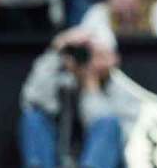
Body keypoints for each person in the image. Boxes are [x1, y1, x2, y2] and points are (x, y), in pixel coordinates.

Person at [18, 26, 133, 168]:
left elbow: (117, 139)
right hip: (58, 158)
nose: (89, 61)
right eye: (86, 53)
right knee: (33, 118)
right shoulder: (65, 79)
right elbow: (32, 100)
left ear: (114, 59)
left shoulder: (123, 88)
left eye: (98, 55)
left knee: (109, 123)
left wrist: (91, 86)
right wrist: (55, 52)